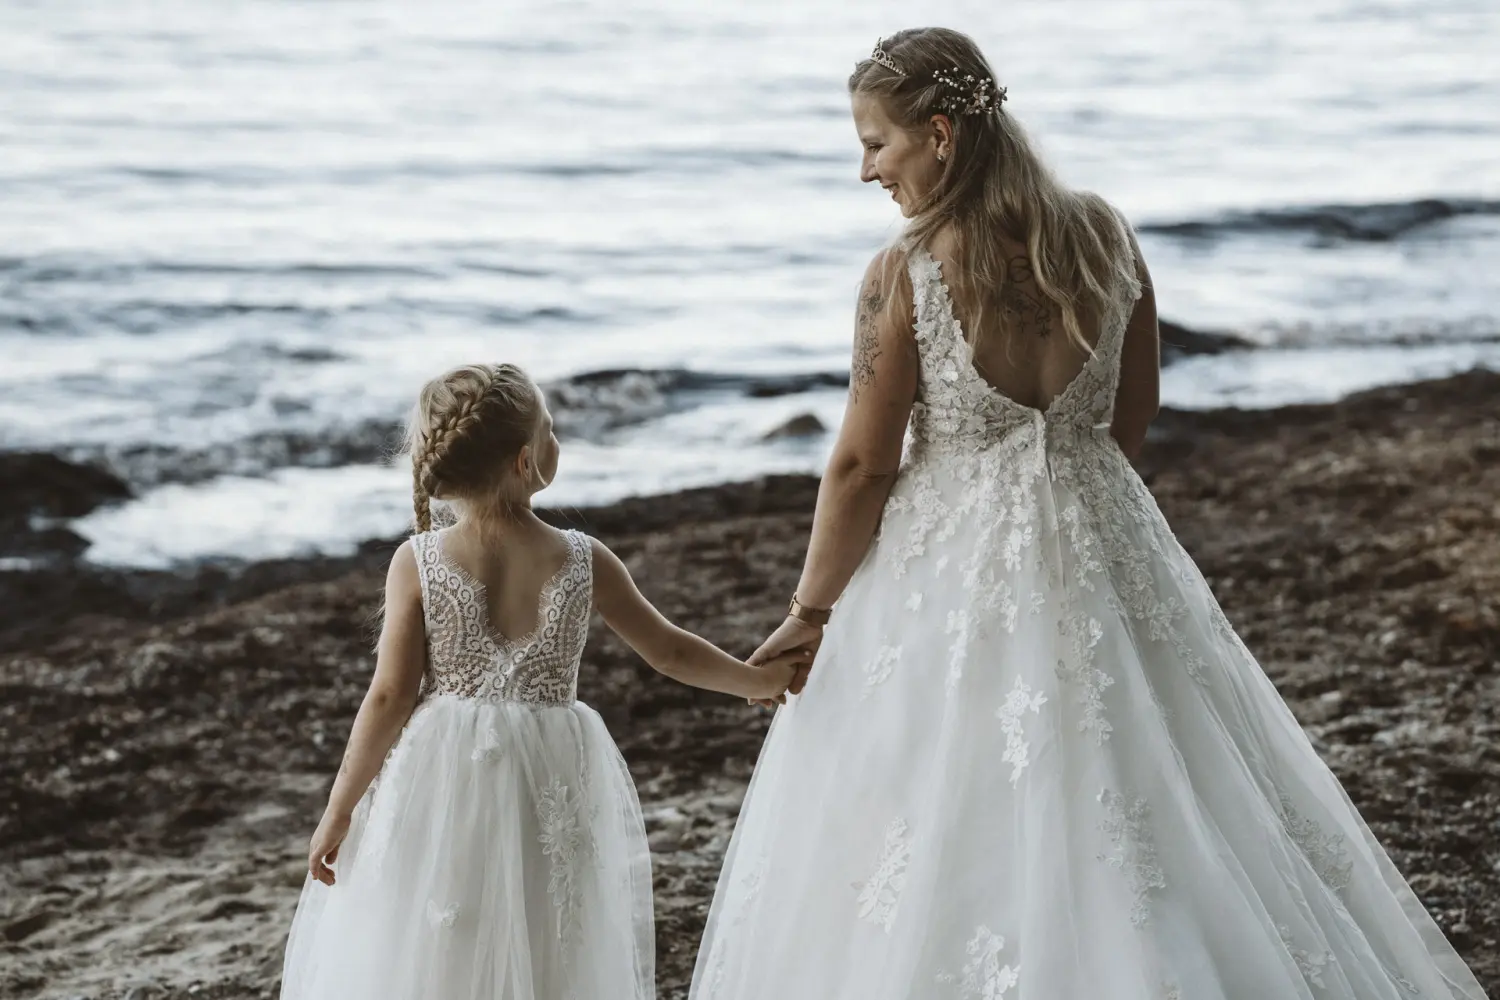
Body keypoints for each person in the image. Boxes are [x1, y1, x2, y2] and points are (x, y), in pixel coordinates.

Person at [690, 28, 1490, 1000]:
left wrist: (811, 611)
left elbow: (861, 464)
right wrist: (1076, 493)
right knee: (1163, 766)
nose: (866, 170)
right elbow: (1134, 408)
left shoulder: (903, 272)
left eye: (876, 144)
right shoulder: (1105, 233)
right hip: (1104, 518)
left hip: (951, 550)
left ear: (939, 133)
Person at [280, 363, 809, 999]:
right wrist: (753, 679)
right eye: (551, 429)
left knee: (444, 920)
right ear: (526, 461)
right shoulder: (583, 558)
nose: (559, 439)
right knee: (548, 924)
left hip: (442, 768)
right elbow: (669, 651)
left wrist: (339, 810)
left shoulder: (416, 560)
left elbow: (390, 697)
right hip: (552, 766)